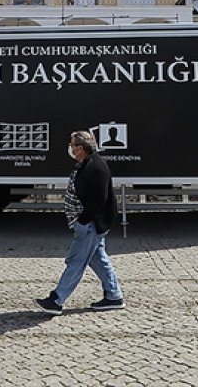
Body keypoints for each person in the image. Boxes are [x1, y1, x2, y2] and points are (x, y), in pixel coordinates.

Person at [35, 130, 124, 314]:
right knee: (98, 258)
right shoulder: (86, 164)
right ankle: (114, 296)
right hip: (90, 223)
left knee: (76, 261)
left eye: (73, 144)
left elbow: (98, 200)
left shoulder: (96, 167)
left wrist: (82, 221)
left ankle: (57, 300)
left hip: (90, 224)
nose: (70, 148)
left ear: (81, 147)